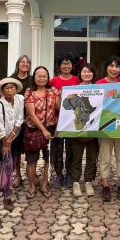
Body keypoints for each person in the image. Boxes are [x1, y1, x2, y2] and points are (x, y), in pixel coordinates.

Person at [24, 66, 61, 198]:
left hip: (51, 127)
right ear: (34, 77)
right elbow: (31, 115)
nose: (42, 78)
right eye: (39, 75)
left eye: (44, 75)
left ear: (48, 77)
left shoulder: (53, 91)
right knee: (31, 160)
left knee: (48, 159)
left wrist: (60, 96)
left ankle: (45, 184)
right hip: (34, 130)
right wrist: (43, 130)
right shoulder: (29, 92)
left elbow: (58, 108)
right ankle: (32, 186)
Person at [96, 56, 120, 201]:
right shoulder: (98, 84)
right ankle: (106, 186)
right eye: (111, 65)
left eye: (117, 66)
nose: (114, 69)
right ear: (107, 67)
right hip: (104, 126)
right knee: (105, 158)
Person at [50, 54, 81, 189]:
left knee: (71, 148)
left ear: (72, 66)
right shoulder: (53, 81)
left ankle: (69, 174)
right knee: (56, 148)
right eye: (63, 63)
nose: (66, 66)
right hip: (56, 120)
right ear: (59, 66)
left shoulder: (77, 80)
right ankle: (58, 174)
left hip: (72, 121)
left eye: (69, 64)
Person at [0, 77, 25, 212]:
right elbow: (0, 126)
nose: (10, 89)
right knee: (7, 163)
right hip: (3, 137)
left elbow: (20, 118)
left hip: (15, 134)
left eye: (12, 87)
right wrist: (6, 142)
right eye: (7, 88)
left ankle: (3, 183)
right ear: (3, 91)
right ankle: (7, 195)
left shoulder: (20, 99)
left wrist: (12, 136)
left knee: (13, 160)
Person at [70, 64, 99, 197]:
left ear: (93, 74)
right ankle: (75, 182)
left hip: (94, 129)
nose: (87, 74)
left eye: (89, 71)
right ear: (80, 73)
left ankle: (88, 181)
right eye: (84, 71)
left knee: (92, 158)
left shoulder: (98, 88)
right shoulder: (75, 89)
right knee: (76, 157)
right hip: (78, 129)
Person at [9, 55, 32, 188]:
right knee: (15, 150)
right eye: (22, 62)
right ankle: (18, 175)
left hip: (30, 119)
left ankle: (31, 174)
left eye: (27, 62)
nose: (25, 64)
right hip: (14, 119)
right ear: (18, 64)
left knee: (30, 147)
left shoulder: (32, 79)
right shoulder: (11, 79)